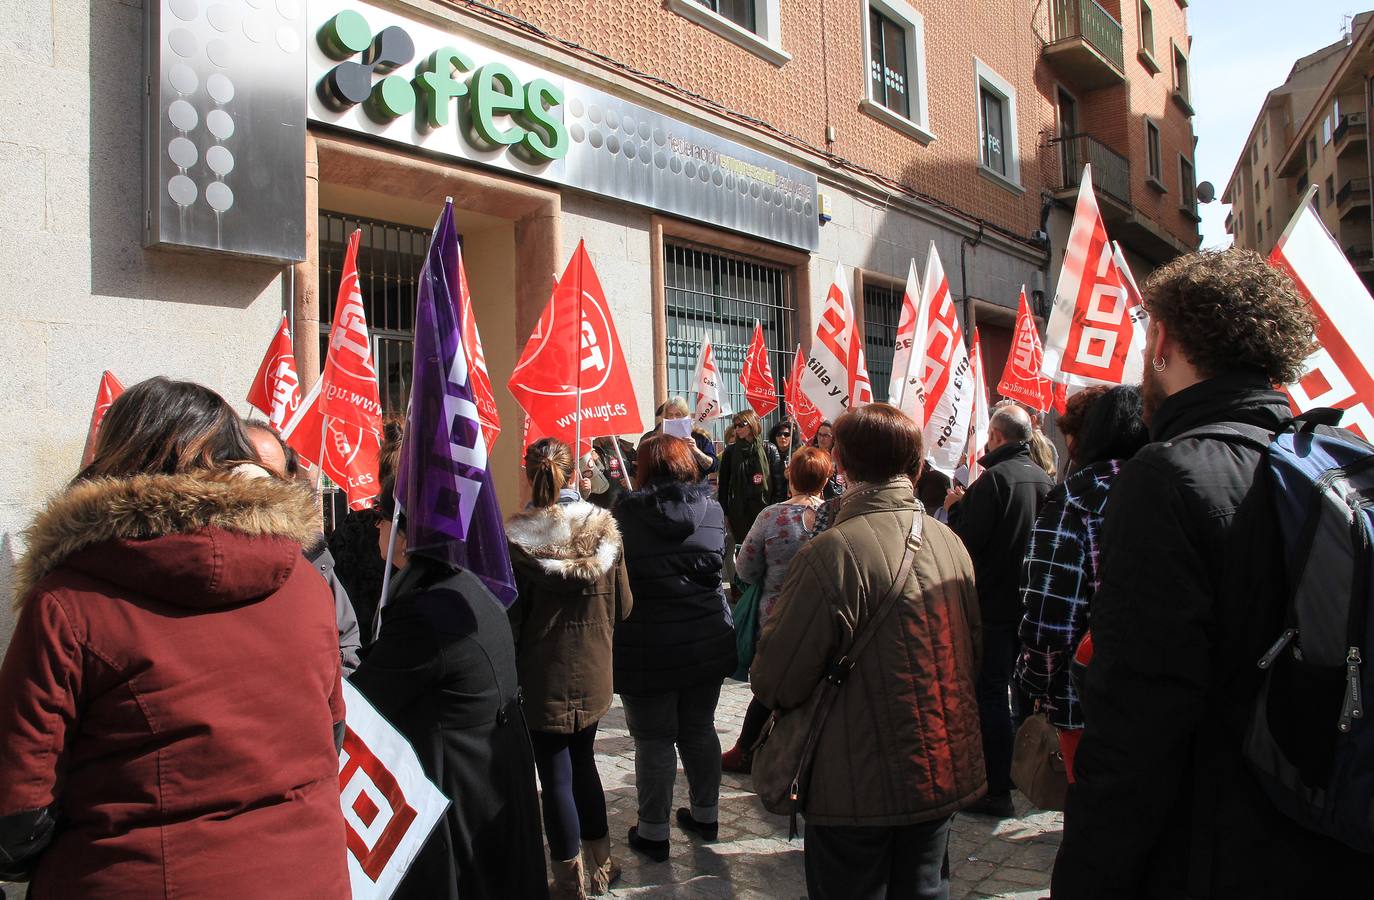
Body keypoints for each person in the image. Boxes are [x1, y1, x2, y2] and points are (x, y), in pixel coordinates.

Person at [1052, 250, 1373, 897]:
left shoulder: (1166, 478)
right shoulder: (1338, 456)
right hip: (1336, 839)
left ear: (1164, 341)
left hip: (1219, 852)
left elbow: (1134, 732)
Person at [0, 377, 349, 896]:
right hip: (306, 876)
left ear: (113, 464)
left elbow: (19, 814)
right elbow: (332, 733)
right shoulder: (304, 581)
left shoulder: (68, 602)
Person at [751, 403, 985, 900]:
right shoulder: (951, 542)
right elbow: (972, 654)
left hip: (853, 775)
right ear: (918, 469)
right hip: (937, 762)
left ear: (843, 466)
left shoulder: (831, 552)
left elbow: (776, 678)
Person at [351, 442, 546, 900]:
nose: (372, 526)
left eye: (378, 518)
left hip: (466, 799)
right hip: (494, 782)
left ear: (402, 534)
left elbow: (365, 701)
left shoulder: (427, 611)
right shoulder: (457, 584)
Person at [505, 438, 634, 898]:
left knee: (556, 774)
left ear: (529, 473)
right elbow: (624, 606)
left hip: (543, 672)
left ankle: (569, 882)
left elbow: (512, 618)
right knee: (583, 764)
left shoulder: (517, 539)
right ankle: (600, 866)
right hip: (593, 668)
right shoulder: (604, 528)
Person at [612, 434, 736, 862]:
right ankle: (706, 815)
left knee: (654, 738)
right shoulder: (713, 510)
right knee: (699, 728)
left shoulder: (623, 516)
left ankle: (653, 832)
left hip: (648, 643)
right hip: (704, 639)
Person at [1015, 385, 1148, 781]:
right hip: (1163, 697)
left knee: (1095, 814)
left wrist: (1033, 680)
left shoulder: (1077, 502)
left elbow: (1049, 618)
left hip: (1087, 700)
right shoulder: (1168, 482)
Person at [947, 404, 1053, 818]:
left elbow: (968, 544)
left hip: (993, 605)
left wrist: (957, 508)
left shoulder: (993, 481)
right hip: (1027, 604)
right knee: (1023, 692)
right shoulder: (1044, 479)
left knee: (991, 693)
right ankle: (1025, 773)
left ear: (996, 436)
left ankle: (996, 786)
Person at [720, 446, 832, 774]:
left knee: (771, 685)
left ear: (790, 475)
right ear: (825, 480)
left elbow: (744, 569)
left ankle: (746, 750)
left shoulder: (771, 516)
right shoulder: (836, 515)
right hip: (821, 616)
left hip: (776, 616)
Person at [245, 419, 362, 672]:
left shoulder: (311, 552)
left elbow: (346, 643)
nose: (260, 489)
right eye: (249, 473)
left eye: (271, 477)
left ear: (288, 481)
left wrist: (328, 688)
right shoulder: (206, 556)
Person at [717, 409, 786, 540]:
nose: (737, 429)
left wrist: (774, 511)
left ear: (752, 424)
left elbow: (779, 486)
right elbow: (724, 487)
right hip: (739, 514)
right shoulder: (730, 452)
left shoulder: (769, 449)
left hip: (765, 511)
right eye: (735, 425)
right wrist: (724, 514)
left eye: (741, 425)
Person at [810, 420, 845, 499]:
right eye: (820, 435)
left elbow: (840, 482)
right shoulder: (810, 455)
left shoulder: (838, 457)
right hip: (813, 498)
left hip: (833, 499)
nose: (822, 439)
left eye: (826, 435)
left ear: (833, 438)